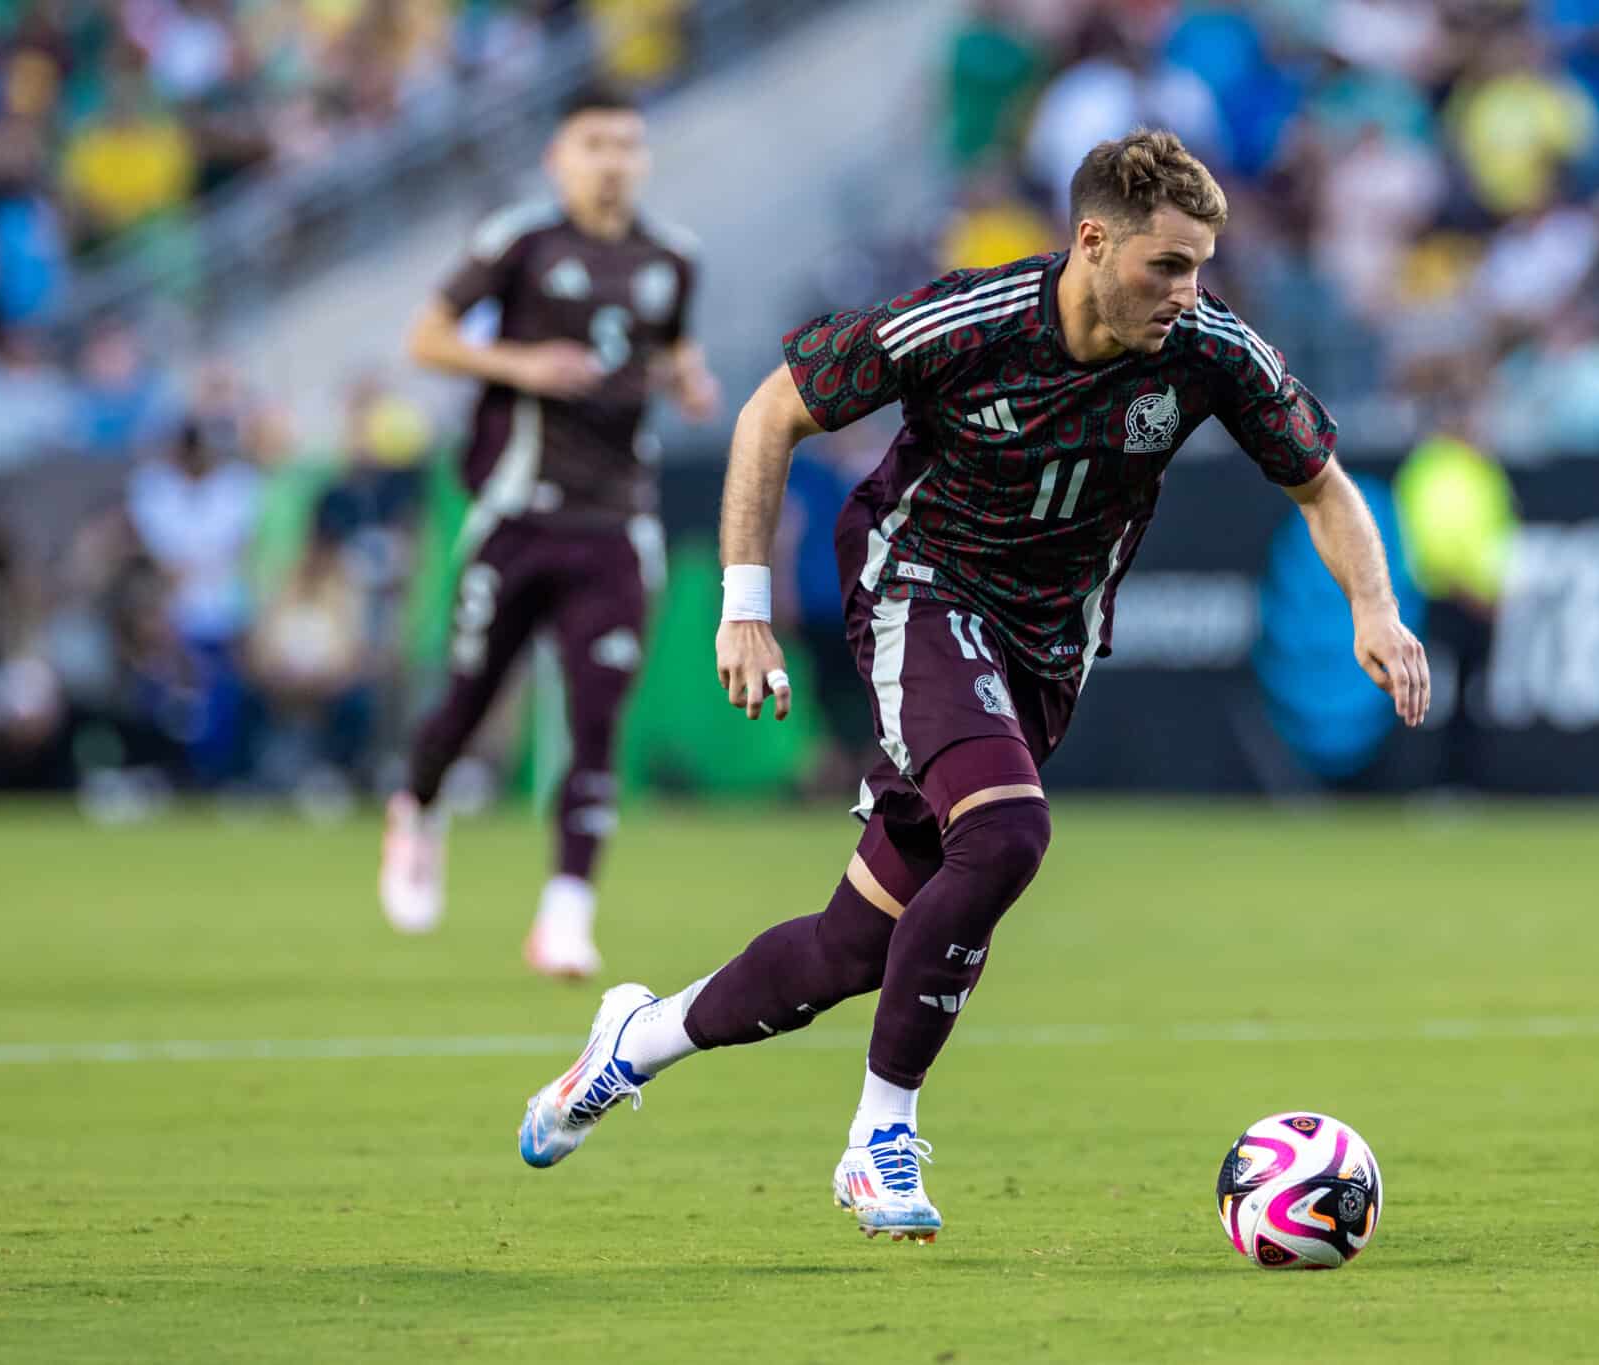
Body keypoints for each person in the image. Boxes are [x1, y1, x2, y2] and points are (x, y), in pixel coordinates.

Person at [515, 130, 1429, 1239]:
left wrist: (1372, 608)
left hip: (1044, 654)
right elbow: (769, 414)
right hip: (920, 592)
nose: (1186, 293)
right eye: (1166, 266)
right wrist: (744, 605)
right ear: (1091, 241)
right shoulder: (968, 321)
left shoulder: (1205, 349)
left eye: (1199, 268)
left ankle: (635, 1042)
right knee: (1003, 836)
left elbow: (1322, 486)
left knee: (853, 947)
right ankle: (877, 1138)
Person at [378, 84, 721, 977]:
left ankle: (566, 913)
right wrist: (517, 361)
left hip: (617, 522)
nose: (612, 160)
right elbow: (425, 337)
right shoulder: (519, 242)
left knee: (597, 718)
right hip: (516, 516)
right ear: (557, 158)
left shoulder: (673, 257)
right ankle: (416, 809)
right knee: (466, 698)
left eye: (626, 144)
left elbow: (672, 345)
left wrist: (691, 380)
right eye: (595, 143)